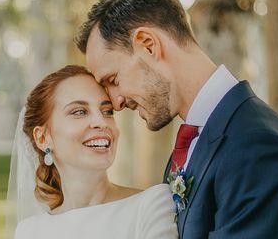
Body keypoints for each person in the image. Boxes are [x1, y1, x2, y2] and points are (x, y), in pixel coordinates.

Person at [75, 0, 278, 238]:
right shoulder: (197, 140)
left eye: (113, 80)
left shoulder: (259, 148)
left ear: (148, 44)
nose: (116, 103)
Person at [10, 65, 177, 239]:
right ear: (42, 138)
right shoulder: (29, 231)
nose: (101, 122)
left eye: (107, 112)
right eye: (79, 112)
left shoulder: (150, 205)